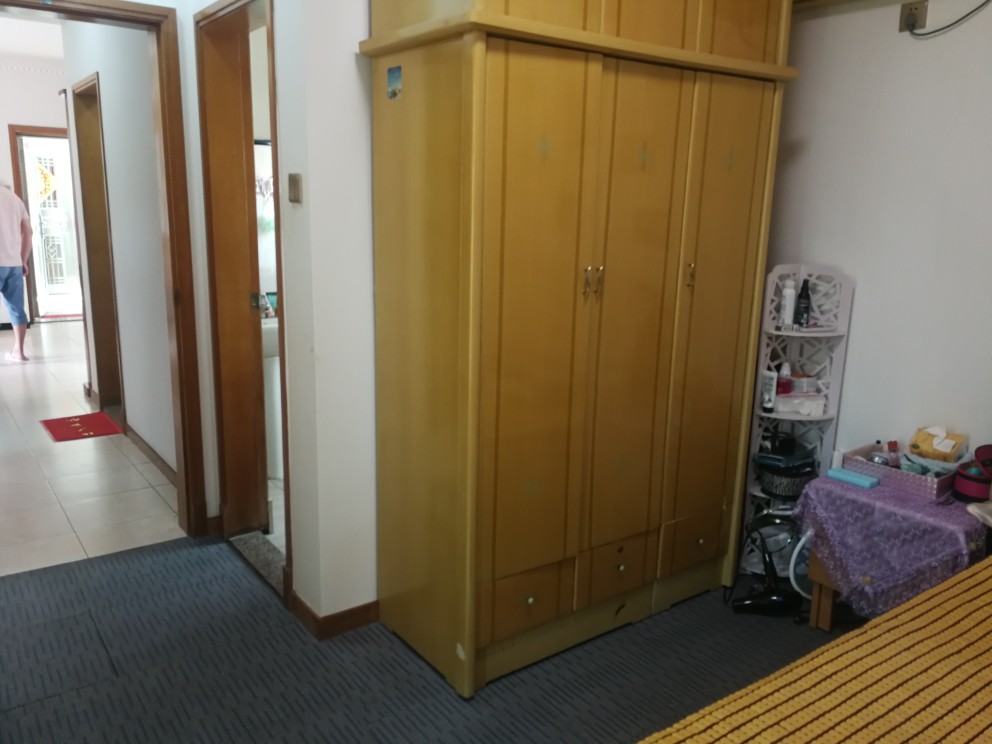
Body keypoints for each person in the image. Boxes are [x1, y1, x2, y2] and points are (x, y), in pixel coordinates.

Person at [0, 182, 32, 362]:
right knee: (17, 308)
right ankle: (19, 352)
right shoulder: (15, 199)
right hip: (14, 264)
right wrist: (23, 259)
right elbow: (28, 232)